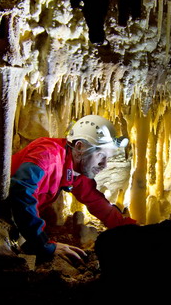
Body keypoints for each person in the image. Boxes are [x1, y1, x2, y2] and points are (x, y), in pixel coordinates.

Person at [9, 114, 137, 265]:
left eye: (107, 158)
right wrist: (44, 245)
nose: (104, 165)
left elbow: (97, 203)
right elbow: (20, 191)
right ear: (79, 147)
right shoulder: (47, 154)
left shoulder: (75, 172)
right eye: (101, 155)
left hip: (16, 220)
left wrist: (133, 230)